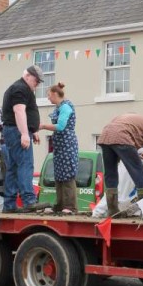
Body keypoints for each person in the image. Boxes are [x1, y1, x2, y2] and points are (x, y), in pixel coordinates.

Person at [98, 113, 143, 216]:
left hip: (105, 135)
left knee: (111, 173)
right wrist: (141, 174)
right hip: (123, 138)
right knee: (140, 173)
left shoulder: (135, 120)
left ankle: (112, 210)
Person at [1, 65, 50, 214]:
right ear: (28, 76)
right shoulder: (20, 88)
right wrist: (24, 133)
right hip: (16, 131)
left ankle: (9, 204)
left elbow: (25, 113)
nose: (37, 84)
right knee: (25, 164)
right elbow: (19, 111)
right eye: (36, 81)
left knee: (14, 168)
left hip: (14, 130)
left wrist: (31, 130)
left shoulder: (21, 88)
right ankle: (29, 200)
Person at [39, 82, 79, 214]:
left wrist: (43, 126)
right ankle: (60, 205)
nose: (48, 98)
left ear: (55, 94)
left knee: (67, 174)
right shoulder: (58, 107)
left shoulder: (66, 107)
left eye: (49, 95)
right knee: (59, 174)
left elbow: (61, 126)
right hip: (60, 145)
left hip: (67, 144)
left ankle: (71, 206)